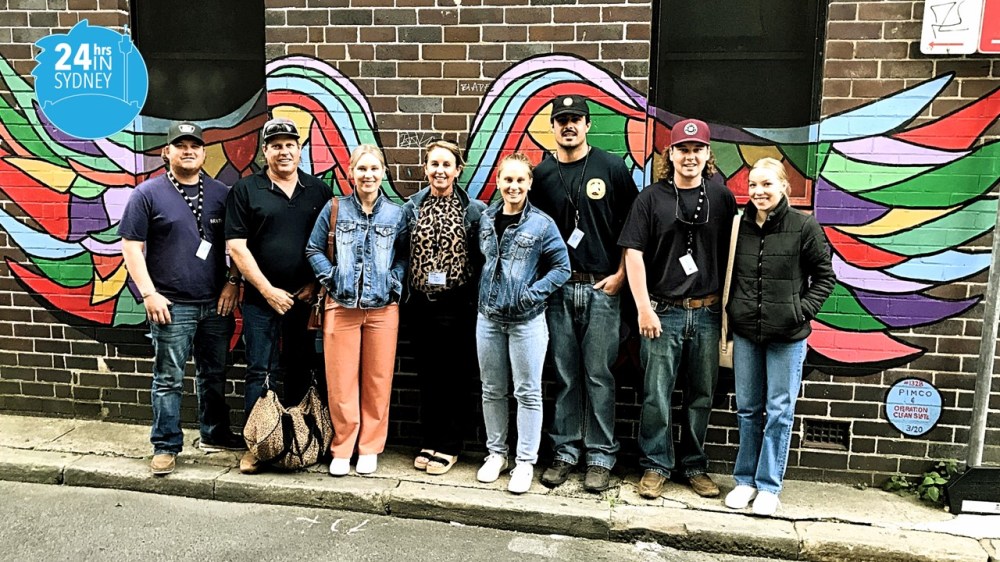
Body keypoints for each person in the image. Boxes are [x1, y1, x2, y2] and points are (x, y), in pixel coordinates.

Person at [618, 118, 737, 499]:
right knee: (657, 392)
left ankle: (695, 465)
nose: (690, 156)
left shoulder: (721, 198)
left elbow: (732, 253)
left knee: (702, 394)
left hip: (706, 312)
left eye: (697, 149)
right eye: (682, 149)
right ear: (670, 154)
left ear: (707, 154)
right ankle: (656, 464)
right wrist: (642, 308)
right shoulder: (650, 198)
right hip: (662, 311)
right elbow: (632, 254)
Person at [120, 121, 244, 476]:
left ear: (204, 153)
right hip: (171, 305)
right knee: (168, 378)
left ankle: (214, 432)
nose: (188, 151)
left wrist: (233, 281)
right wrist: (148, 293)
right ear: (166, 152)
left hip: (216, 303)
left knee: (214, 374)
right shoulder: (148, 194)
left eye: (195, 146)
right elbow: (130, 245)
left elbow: (235, 244)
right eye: (180, 145)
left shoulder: (222, 192)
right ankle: (166, 444)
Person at [529, 95, 638, 493]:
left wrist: (622, 276)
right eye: (562, 121)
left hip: (602, 288)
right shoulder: (540, 175)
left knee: (599, 375)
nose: (569, 126)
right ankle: (565, 451)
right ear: (553, 127)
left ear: (588, 125)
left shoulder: (612, 168)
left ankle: (600, 456)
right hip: (558, 289)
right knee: (564, 375)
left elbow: (634, 229)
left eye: (575, 119)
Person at [723, 157, 835, 516]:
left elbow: (825, 277)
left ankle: (769, 485)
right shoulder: (737, 227)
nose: (759, 191)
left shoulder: (804, 226)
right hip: (746, 333)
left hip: (788, 335)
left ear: (784, 187)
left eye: (767, 184)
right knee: (747, 409)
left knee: (779, 411)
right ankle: (745, 481)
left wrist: (799, 311)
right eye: (753, 185)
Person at [225, 117, 331, 474]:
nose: (283, 151)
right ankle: (257, 445)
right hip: (260, 300)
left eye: (290, 145)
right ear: (265, 151)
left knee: (301, 369)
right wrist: (267, 291)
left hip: (303, 299)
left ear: (300, 151)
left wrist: (316, 285)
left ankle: (304, 440)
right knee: (261, 371)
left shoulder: (318, 191)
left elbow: (329, 243)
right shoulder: (246, 190)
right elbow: (237, 247)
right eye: (276, 145)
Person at [305, 145, 408, 477]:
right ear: (351, 173)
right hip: (341, 305)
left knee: (378, 380)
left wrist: (394, 282)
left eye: (374, 169)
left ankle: (369, 447)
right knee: (341, 381)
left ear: (383, 173)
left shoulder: (395, 214)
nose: (368, 175)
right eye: (362, 169)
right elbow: (313, 248)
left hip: (382, 309)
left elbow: (405, 255)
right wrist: (332, 278)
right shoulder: (335, 208)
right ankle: (343, 445)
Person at [474, 153, 571, 494]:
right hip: (488, 318)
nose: (513, 186)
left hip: (526, 321)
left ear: (530, 183)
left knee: (527, 391)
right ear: (498, 182)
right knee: (492, 389)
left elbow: (562, 268)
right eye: (507, 180)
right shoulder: (486, 218)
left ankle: (525, 460)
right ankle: (496, 453)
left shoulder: (542, 224)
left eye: (520, 180)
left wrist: (532, 294)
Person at [401, 139, 486, 476]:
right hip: (421, 305)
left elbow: (482, 258)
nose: (440, 170)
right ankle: (430, 438)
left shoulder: (473, 210)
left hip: (458, 304)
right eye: (434, 164)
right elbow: (402, 252)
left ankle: (450, 445)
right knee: (428, 375)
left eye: (446, 164)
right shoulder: (411, 207)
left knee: (456, 376)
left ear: (458, 169)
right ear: (425, 168)